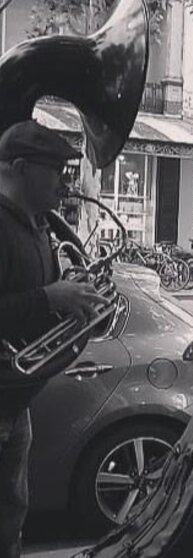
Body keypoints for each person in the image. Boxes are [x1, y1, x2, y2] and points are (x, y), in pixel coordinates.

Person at [0, 120, 110, 557]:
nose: (65, 183)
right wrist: (50, 297)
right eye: (56, 171)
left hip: (15, 401)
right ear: (21, 169)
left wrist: (75, 300)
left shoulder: (38, 225)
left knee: (11, 517)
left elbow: (39, 308)